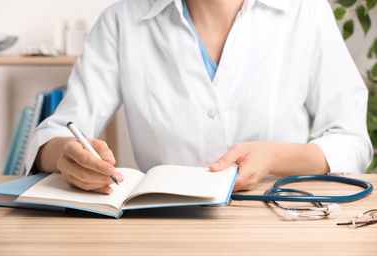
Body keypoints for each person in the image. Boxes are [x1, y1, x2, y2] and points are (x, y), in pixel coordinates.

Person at [26, 0, 373, 195]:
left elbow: (353, 142)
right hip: (159, 230)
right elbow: (57, 132)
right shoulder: (122, 20)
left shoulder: (306, 12)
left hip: (277, 220)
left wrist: (277, 155)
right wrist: (64, 156)